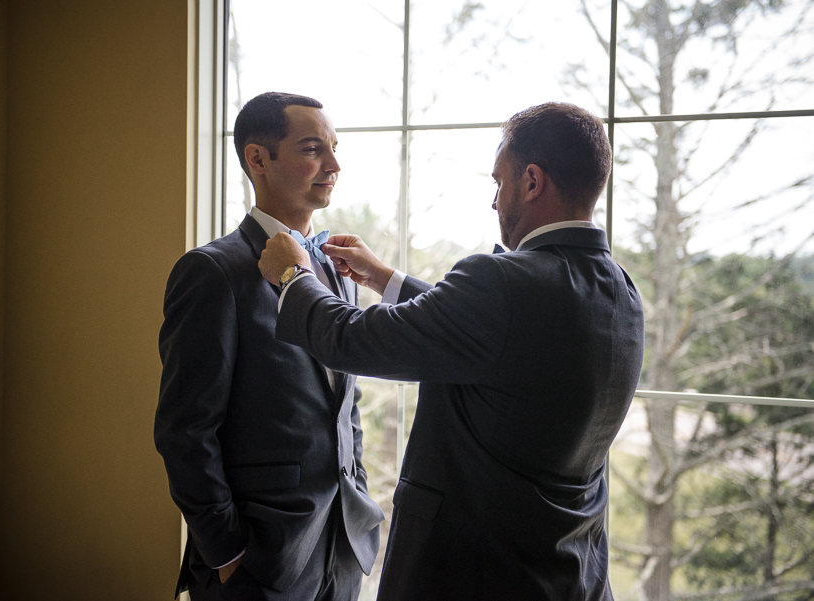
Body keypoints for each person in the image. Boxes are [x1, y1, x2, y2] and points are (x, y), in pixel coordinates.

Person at [258, 102, 645, 600]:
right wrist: (385, 279)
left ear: (531, 181)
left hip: (474, 573)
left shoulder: (501, 282)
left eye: (498, 181)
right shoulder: (621, 293)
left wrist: (295, 276)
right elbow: (497, 341)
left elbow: (351, 339)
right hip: (569, 574)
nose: (494, 200)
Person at [155, 92, 384, 601]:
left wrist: (357, 494)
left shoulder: (336, 269)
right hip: (257, 562)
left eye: (334, 148)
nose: (334, 165)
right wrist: (228, 552)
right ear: (257, 159)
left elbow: (344, 408)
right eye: (312, 149)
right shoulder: (212, 273)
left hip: (342, 551)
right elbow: (185, 431)